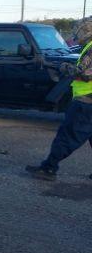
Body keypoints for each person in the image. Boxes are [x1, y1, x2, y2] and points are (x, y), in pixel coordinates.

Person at [26, 39, 92, 181]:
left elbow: (86, 74)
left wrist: (63, 67)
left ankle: (48, 168)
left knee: (68, 136)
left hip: (86, 102)